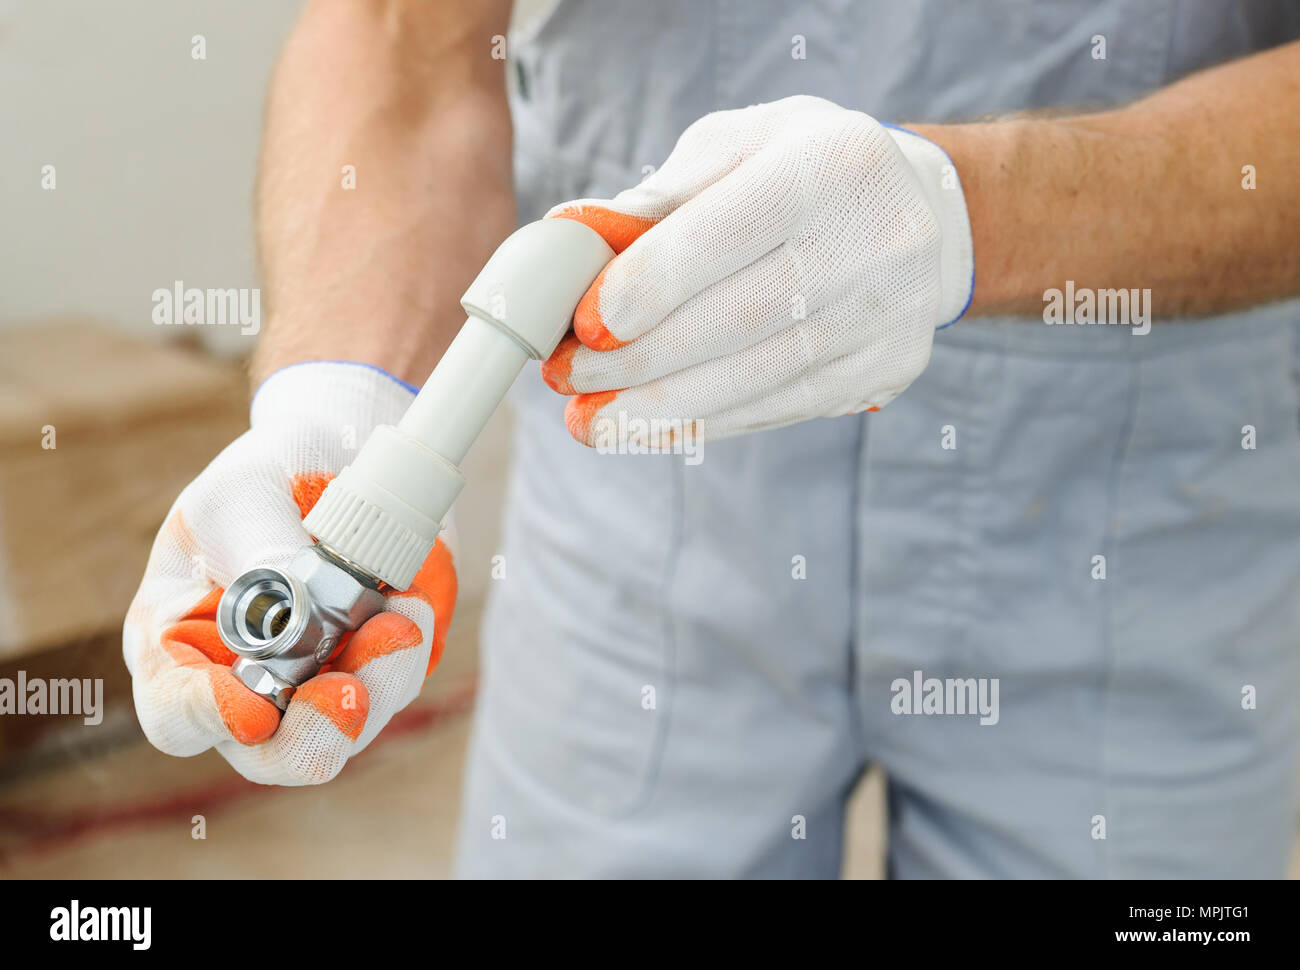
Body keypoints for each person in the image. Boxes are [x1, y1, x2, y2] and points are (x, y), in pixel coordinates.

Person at [124, 0, 1300, 877]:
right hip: (632, 552)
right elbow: (408, 43)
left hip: (1144, 538)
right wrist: (337, 396)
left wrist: (975, 214)